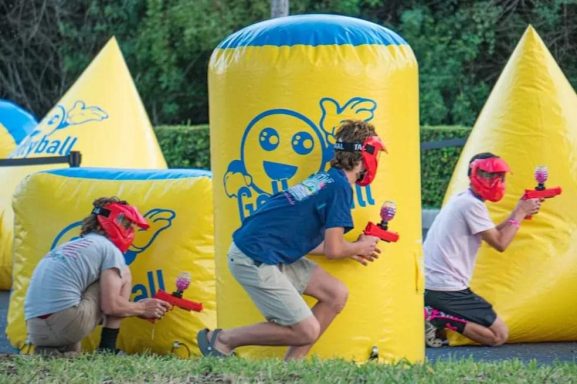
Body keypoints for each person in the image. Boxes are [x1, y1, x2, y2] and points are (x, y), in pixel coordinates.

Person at [197, 120, 385, 360]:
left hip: (264, 251)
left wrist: (350, 249)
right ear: (366, 155)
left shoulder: (327, 179)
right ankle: (222, 340)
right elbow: (334, 250)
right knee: (306, 330)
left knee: (335, 293)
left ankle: (292, 367)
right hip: (254, 257)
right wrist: (360, 246)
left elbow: (315, 241)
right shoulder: (339, 187)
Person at [24, 197, 171, 356]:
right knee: (123, 272)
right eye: (128, 226)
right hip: (66, 324)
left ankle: (59, 351)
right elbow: (112, 307)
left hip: (35, 330)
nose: (131, 232)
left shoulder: (67, 246)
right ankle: (107, 349)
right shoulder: (108, 249)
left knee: (82, 286)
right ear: (117, 223)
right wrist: (142, 308)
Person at [423, 152, 542, 347]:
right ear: (473, 174)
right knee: (498, 336)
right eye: (488, 175)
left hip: (436, 284)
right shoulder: (471, 205)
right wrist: (521, 212)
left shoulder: (464, 199)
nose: (494, 181)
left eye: (499, 177)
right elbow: (500, 243)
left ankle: (436, 313)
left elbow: (491, 233)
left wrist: (518, 211)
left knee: (495, 333)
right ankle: (436, 316)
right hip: (447, 288)